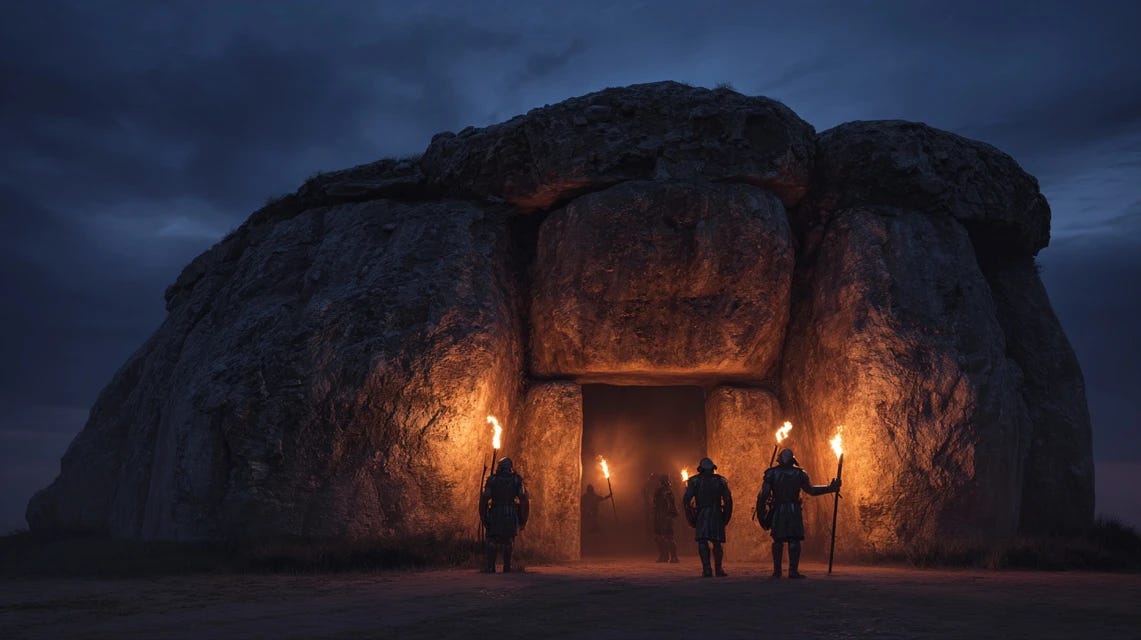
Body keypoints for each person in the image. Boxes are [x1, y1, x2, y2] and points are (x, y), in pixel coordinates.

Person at [756, 448, 841, 579]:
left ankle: (777, 571)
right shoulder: (800, 473)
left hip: (778, 509)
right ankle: (792, 571)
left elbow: (764, 495)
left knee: (778, 540)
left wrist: (761, 510)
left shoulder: (771, 473)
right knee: (793, 539)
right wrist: (830, 488)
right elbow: (811, 491)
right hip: (793, 510)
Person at [682, 457, 732, 577]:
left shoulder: (694, 481)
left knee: (704, 541)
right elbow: (728, 500)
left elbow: (687, 499)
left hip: (703, 513)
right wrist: (725, 515)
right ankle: (716, 569)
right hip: (715, 513)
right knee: (715, 542)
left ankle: (708, 569)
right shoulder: (720, 480)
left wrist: (691, 514)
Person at [479, 457, 529, 573]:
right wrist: (523, 518)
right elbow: (523, 498)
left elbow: (485, 498)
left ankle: (491, 566)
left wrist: (484, 516)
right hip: (510, 513)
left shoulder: (493, 480)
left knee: (492, 539)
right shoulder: (516, 480)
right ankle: (507, 566)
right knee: (508, 540)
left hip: (496, 512)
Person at [652, 473, 680, 563]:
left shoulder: (667, 491)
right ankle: (664, 556)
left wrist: (669, 515)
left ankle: (674, 556)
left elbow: (670, 504)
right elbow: (656, 503)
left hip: (666, 516)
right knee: (658, 537)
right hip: (659, 516)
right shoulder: (659, 491)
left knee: (669, 537)